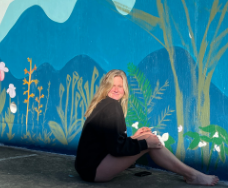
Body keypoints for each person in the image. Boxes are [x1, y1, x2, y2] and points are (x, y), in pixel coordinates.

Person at [75, 69, 219, 185]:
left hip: (86, 167)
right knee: (150, 141)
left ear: (125, 90)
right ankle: (192, 175)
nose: (116, 89)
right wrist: (145, 143)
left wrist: (136, 137)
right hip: (94, 171)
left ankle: (191, 174)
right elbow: (116, 149)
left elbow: (109, 143)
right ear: (106, 87)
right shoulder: (112, 106)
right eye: (112, 85)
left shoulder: (102, 104)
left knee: (146, 137)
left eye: (120, 86)